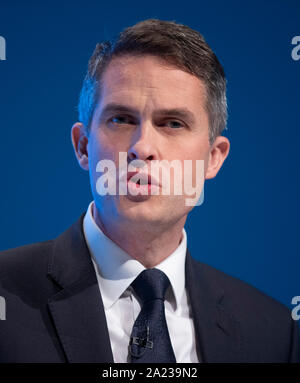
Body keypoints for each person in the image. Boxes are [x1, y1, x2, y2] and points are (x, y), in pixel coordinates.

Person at [0, 18, 299, 363]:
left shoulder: (273, 332)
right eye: (122, 119)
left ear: (212, 159)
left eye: (173, 123)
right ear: (83, 146)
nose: (143, 147)